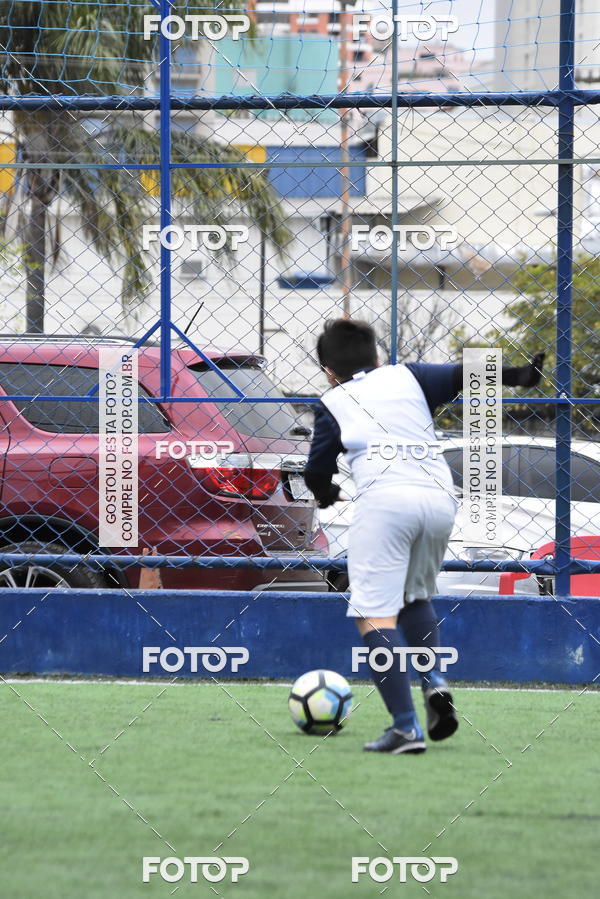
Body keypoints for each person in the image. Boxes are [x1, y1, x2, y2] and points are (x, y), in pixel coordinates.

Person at [303, 318, 545, 754]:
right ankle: (433, 680)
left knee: (373, 614)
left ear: (329, 371)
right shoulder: (407, 376)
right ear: (377, 356)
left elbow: (316, 471)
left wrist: (326, 494)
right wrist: (523, 375)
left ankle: (405, 729)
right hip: (438, 498)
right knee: (414, 596)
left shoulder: (333, 401)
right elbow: (465, 372)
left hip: (386, 503)